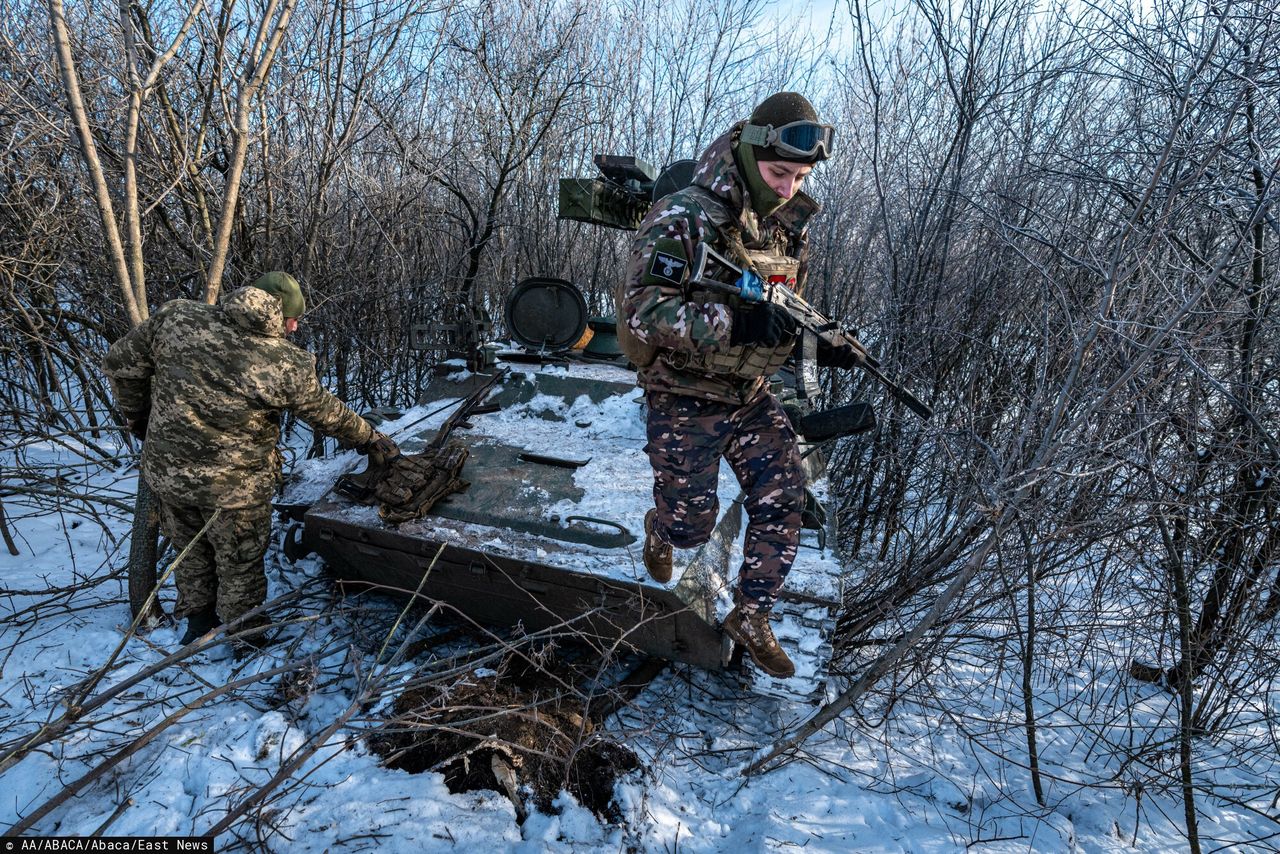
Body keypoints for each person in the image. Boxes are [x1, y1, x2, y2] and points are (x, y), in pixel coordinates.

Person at [621, 92, 862, 678]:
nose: (787, 188)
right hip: (683, 392)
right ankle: (661, 526)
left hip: (748, 393)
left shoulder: (783, 226)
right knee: (690, 528)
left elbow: (781, 303)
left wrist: (818, 341)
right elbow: (642, 311)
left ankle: (751, 614)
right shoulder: (684, 216)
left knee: (785, 495)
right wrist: (737, 323)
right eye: (780, 173)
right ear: (751, 155)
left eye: (799, 176)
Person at [103, 272, 398, 651]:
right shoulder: (282, 362)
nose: (294, 327)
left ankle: (198, 624)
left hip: (170, 475)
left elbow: (118, 363)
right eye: (293, 318)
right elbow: (326, 414)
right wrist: (370, 437)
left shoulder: (176, 318)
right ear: (277, 314)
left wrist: (138, 416)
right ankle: (247, 636)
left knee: (190, 552)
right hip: (235, 489)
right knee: (239, 562)